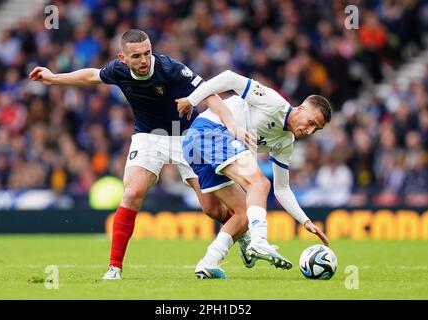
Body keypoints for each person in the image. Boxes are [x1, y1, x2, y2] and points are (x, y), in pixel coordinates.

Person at [29, 29, 253, 280]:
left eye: (147, 53)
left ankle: (240, 231)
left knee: (211, 209)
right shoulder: (118, 70)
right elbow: (92, 76)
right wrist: (53, 77)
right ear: (123, 58)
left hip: (187, 136)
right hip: (148, 137)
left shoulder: (171, 69)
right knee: (132, 193)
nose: (144, 60)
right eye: (136, 56)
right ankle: (114, 267)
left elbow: (210, 95)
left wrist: (231, 124)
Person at [177, 70, 330, 279]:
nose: (310, 131)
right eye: (311, 123)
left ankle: (209, 262)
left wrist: (305, 221)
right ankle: (259, 241)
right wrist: (191, 100)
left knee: (240, 214)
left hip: (201, 148)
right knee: (259, 183)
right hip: (208, 130)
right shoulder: (274, 102)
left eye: (316, 129)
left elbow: (282, 189)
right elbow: (229, 78)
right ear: (301, 108)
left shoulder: (285, 142)